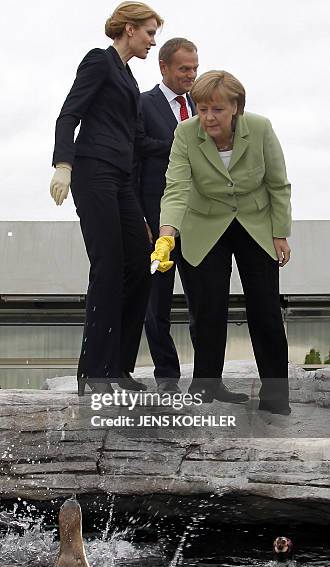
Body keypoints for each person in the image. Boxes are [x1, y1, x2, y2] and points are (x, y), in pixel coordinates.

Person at [152, 70, 292, 414]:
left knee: (265, 310)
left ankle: (276, 396)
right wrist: (167, 234)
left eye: (216, 109)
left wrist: (279, 233)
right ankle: (206, 387)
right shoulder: (185, 133)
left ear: (236, 108)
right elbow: (176, 187)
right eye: (202, 109)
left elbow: (278, 183)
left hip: (254, 222)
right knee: (207, 309)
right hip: (204, 223)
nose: (208, 117)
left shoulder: (260, 128)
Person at [50, 2, 170, 396]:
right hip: (92, 170)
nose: (153, 41)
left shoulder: (130, 79)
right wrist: (63, 165)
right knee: (109, 266)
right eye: (150, 32)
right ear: (130, 28)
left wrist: (186, 144)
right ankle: (95, 371)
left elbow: (139, 142)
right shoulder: (99, 61)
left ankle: (118, 367)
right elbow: (69, 114)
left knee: (141, 260)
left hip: (120, 179)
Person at [138, 37, 198, 394]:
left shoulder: (203, 105)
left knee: (202, 301)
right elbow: (136, 150)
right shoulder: (142, 104)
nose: (191, 75)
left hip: (200, 220)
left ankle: (208, 376)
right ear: (163, 67)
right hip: (157, 219)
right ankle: (167, 376)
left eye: (194, 68)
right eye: (183, 69)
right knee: (156, 303)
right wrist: (141, 219)